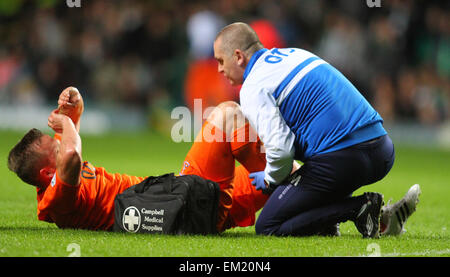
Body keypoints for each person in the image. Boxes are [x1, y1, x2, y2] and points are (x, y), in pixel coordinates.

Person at [213, 22, 396, 238]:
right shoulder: (295, 54)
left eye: (221, 61)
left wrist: (270, 178)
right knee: (307, 190)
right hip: (382, 151)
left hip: (343, 160)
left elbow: (281, 149)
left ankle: (358, 208)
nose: (219, 69)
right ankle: (329, 222)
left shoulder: (253, 86)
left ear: (238, 56)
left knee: (268, 226)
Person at [6, 87, 277, 232]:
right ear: (45, 173)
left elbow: (71, 131)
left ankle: (296, 184)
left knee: (288, 177)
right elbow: (71, 153)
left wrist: (71, 99)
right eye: (52, 148)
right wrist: (65, 122)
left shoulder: (61, 172)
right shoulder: (57, 200)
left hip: (186, 203)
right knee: (227, 114)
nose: (58, 143)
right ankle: (277, 171)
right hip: (186, 205)